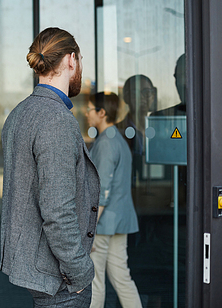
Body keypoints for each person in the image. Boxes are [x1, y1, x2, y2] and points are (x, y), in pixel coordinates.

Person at [0, 27, 100, 307]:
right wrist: (80, 272)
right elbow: (57, 210)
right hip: (58, 280)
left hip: (36, 268)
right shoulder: (56, 119)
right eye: (80, 61)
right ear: (71, 60)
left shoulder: (20, 112)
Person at [85, 92, 141, 308]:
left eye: (90, 109)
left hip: (104, 223)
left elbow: (102, 191)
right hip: (120, 220)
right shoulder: (117, 139)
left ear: (102, 113)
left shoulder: (107, 143)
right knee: (121, 278)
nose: (87, 114)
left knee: (95, 281)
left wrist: (89, 229)